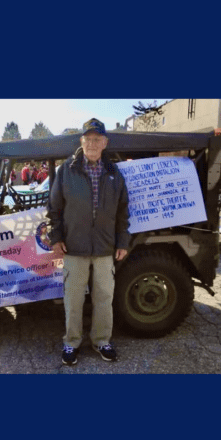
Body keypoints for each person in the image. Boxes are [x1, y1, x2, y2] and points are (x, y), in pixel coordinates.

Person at [47, 118, 130, 366]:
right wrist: (56, 237)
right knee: (73, 299)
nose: (92, 143)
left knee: (104, 297)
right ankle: (71, 343)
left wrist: (122, 242)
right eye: (88, 139)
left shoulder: (114, 173)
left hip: (105, 248)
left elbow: (123, 211)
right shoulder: (66, 171)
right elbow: (54, 208)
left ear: (104, 143)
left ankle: (102, 340)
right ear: (81, 142)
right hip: (74, 246)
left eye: (97, 139)